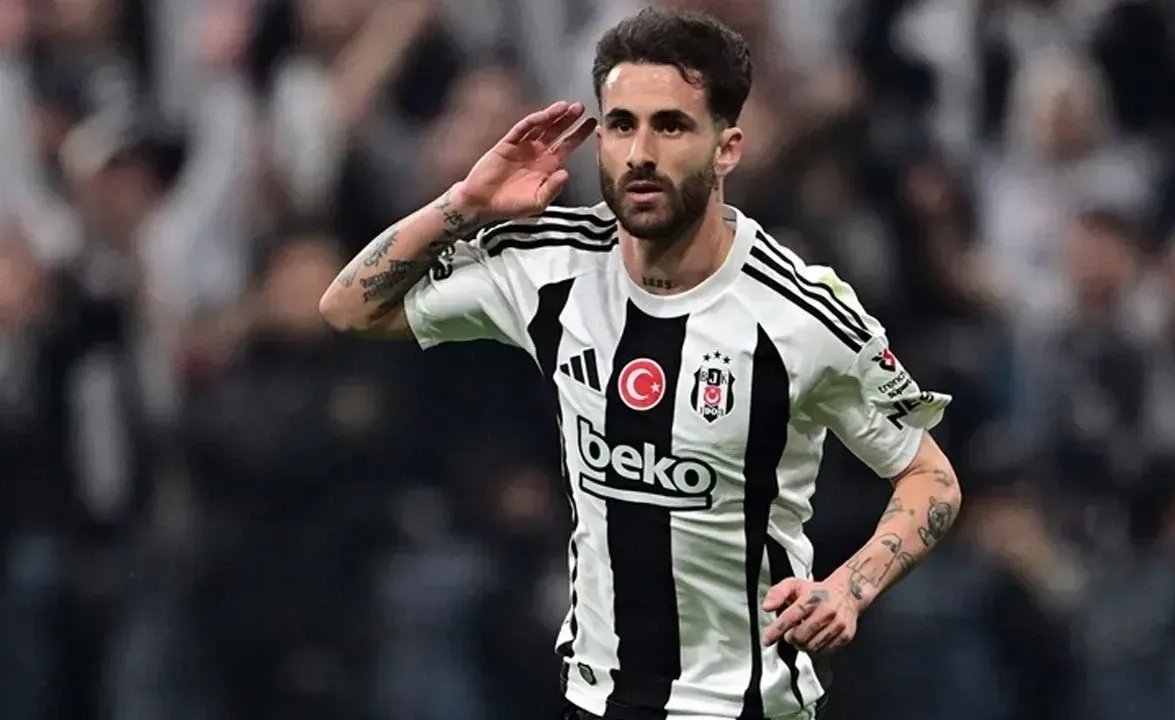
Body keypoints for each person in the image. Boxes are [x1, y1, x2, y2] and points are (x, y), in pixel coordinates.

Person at [319, 7, 962, 720]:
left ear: (727, 148)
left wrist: (849, 587)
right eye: (622, 125)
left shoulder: (800, 311)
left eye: (672, 126)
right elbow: (351, 307)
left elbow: (930, 478)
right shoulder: (551, 266)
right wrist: (465, 202)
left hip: (746, 707)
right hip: (596, 702)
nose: (641, 153)